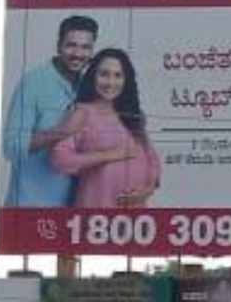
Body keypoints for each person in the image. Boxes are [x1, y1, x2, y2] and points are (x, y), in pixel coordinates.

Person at [2, 14, 101, 209]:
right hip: (30, 209)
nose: (78, 53)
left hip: (74, 211)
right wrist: (61, 131)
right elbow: (11, 147)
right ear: (58, 45)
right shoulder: (32, 83)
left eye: (85, 47)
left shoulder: (90, 87)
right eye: (71, 45)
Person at [50, 48, 161, 210]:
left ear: (126, 80)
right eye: (104, 74)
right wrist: (111, 154)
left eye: (118, 76)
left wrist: (148, 189)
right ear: (93, 77)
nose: (110, 82)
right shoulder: (82, 112)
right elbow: (60, 159)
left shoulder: (132, 114)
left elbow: (151, 158)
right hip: (96, 209)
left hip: (136, 211)